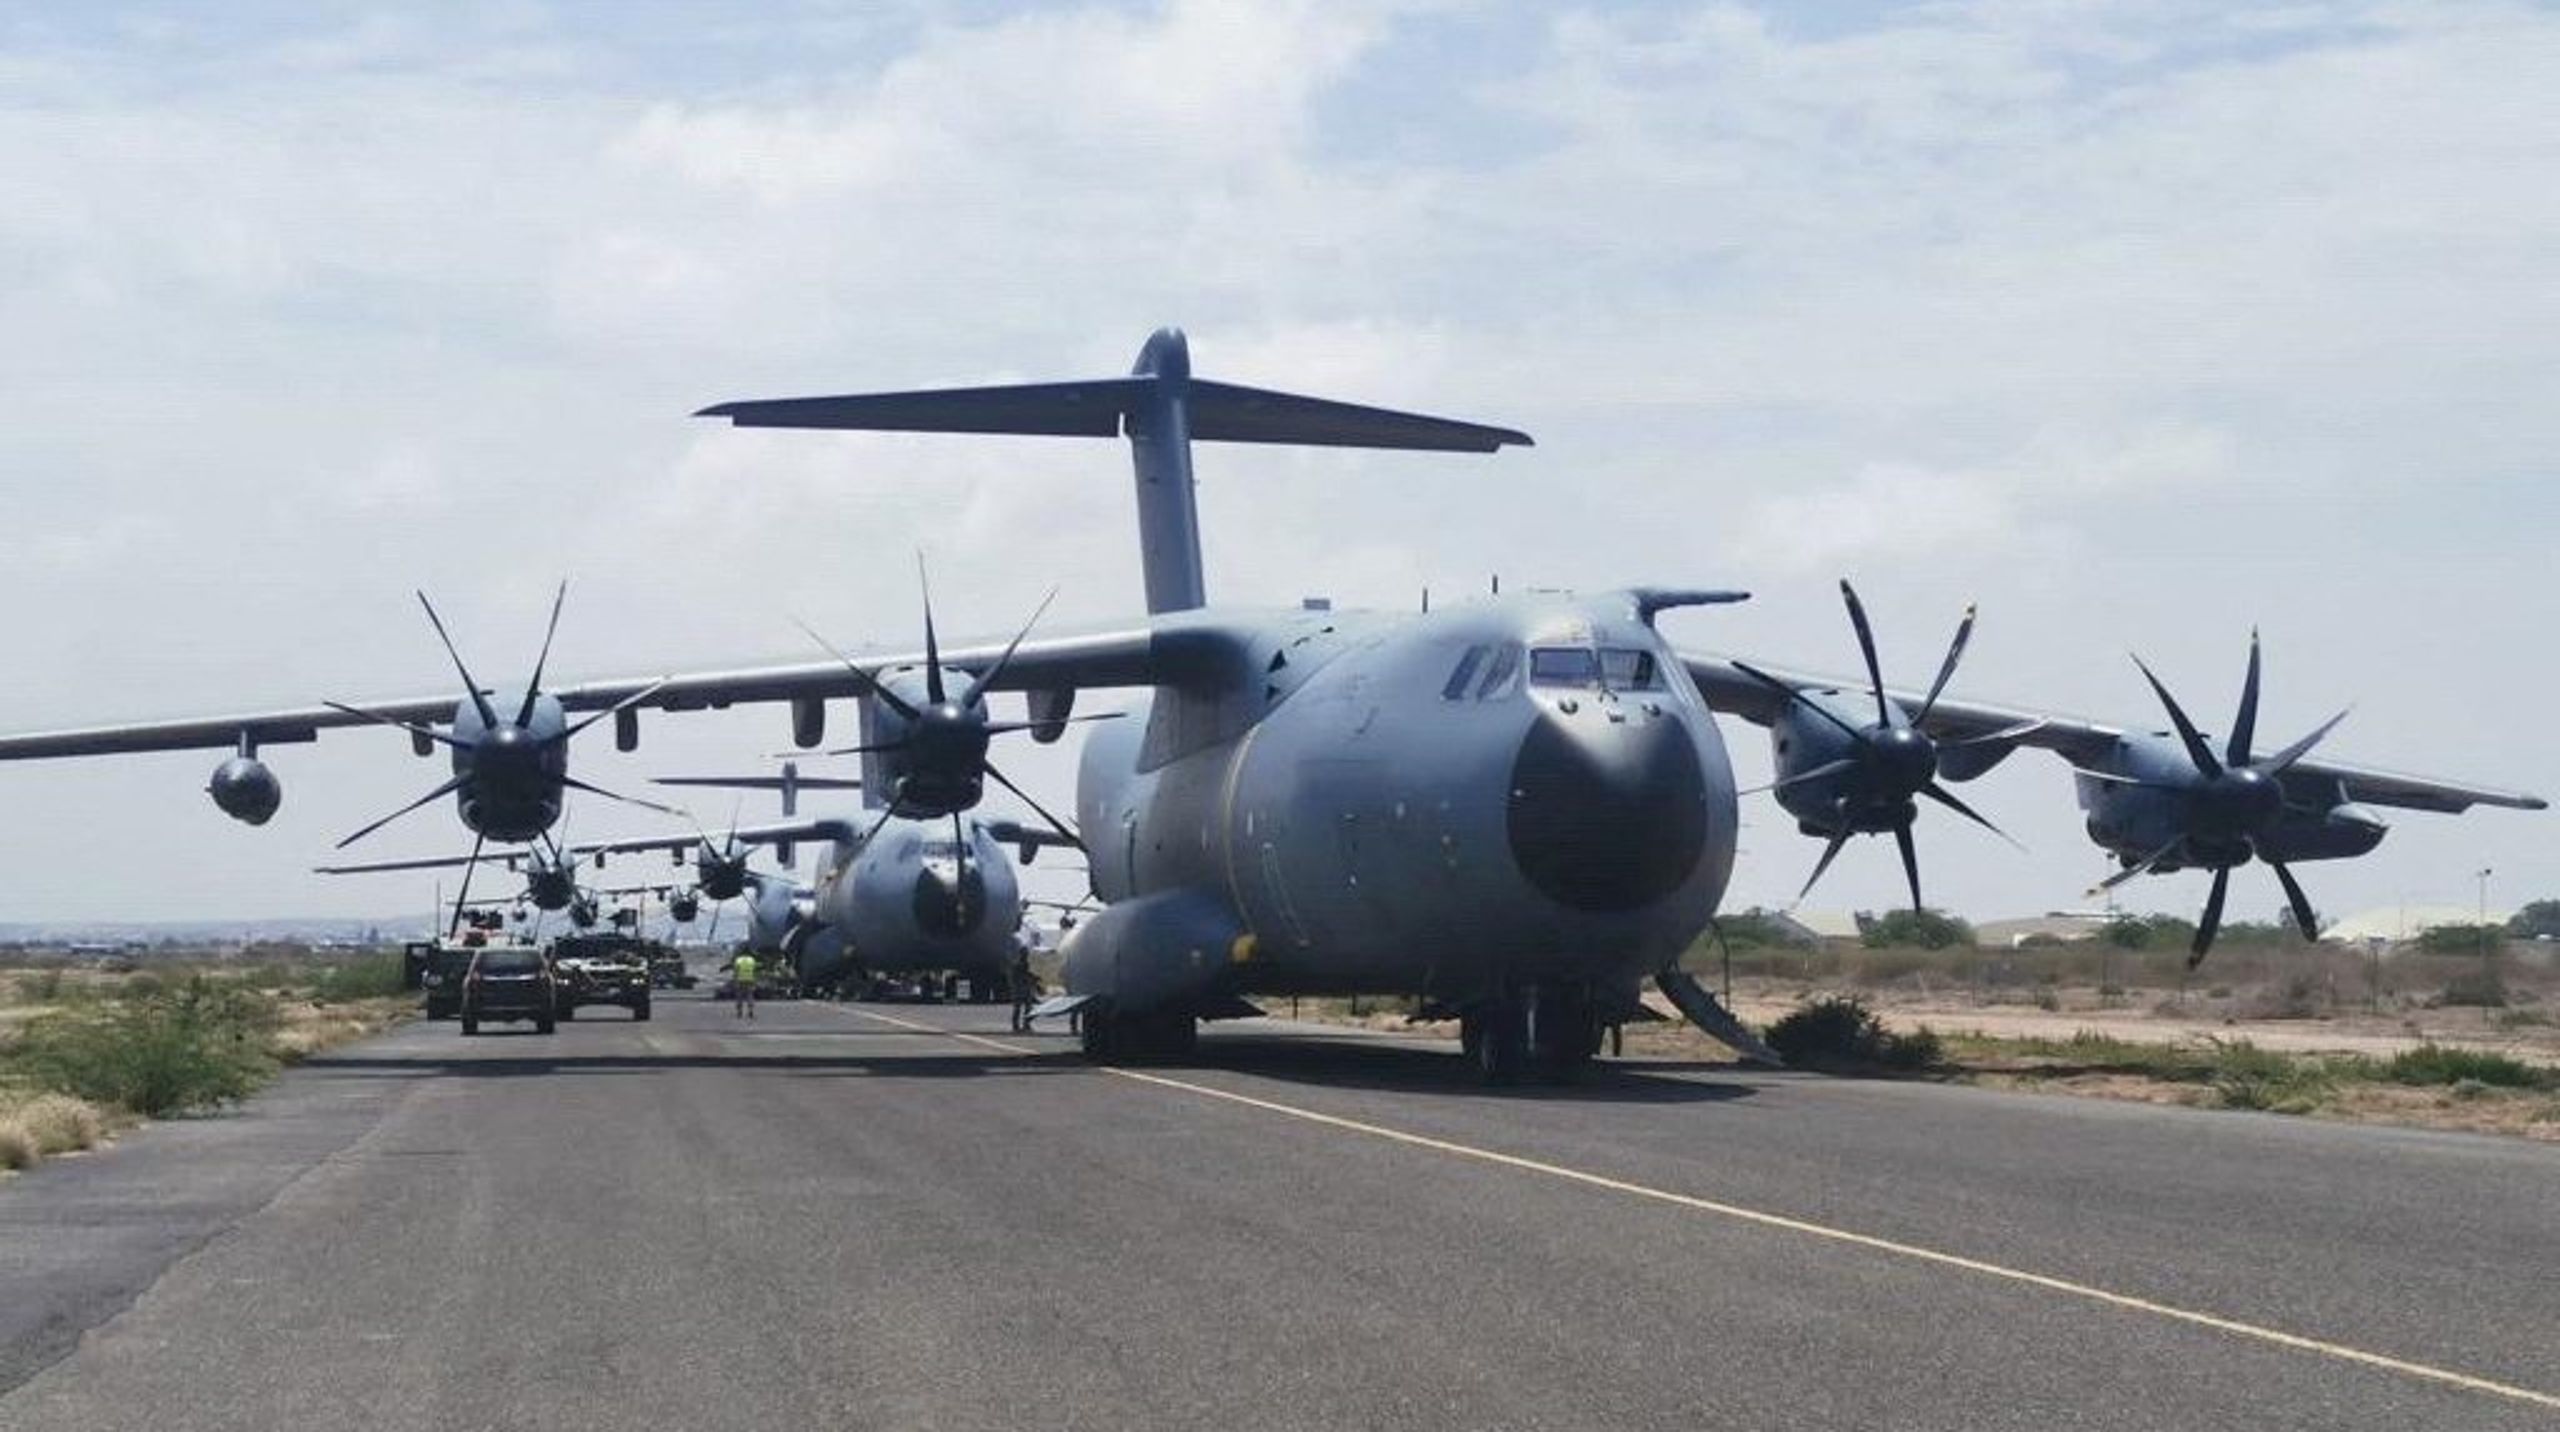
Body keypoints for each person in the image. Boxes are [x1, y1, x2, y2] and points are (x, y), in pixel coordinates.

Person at [732, 951, 759, 1019]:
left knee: (739, 996)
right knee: (750, 995)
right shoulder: (752, 960)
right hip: (750, 979)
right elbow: (754, 970)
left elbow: (736, 971)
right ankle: (750, 1011)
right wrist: (755, 981)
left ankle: (739, 1012)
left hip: (740, 980)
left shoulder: (738, 960)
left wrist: (735, 980)